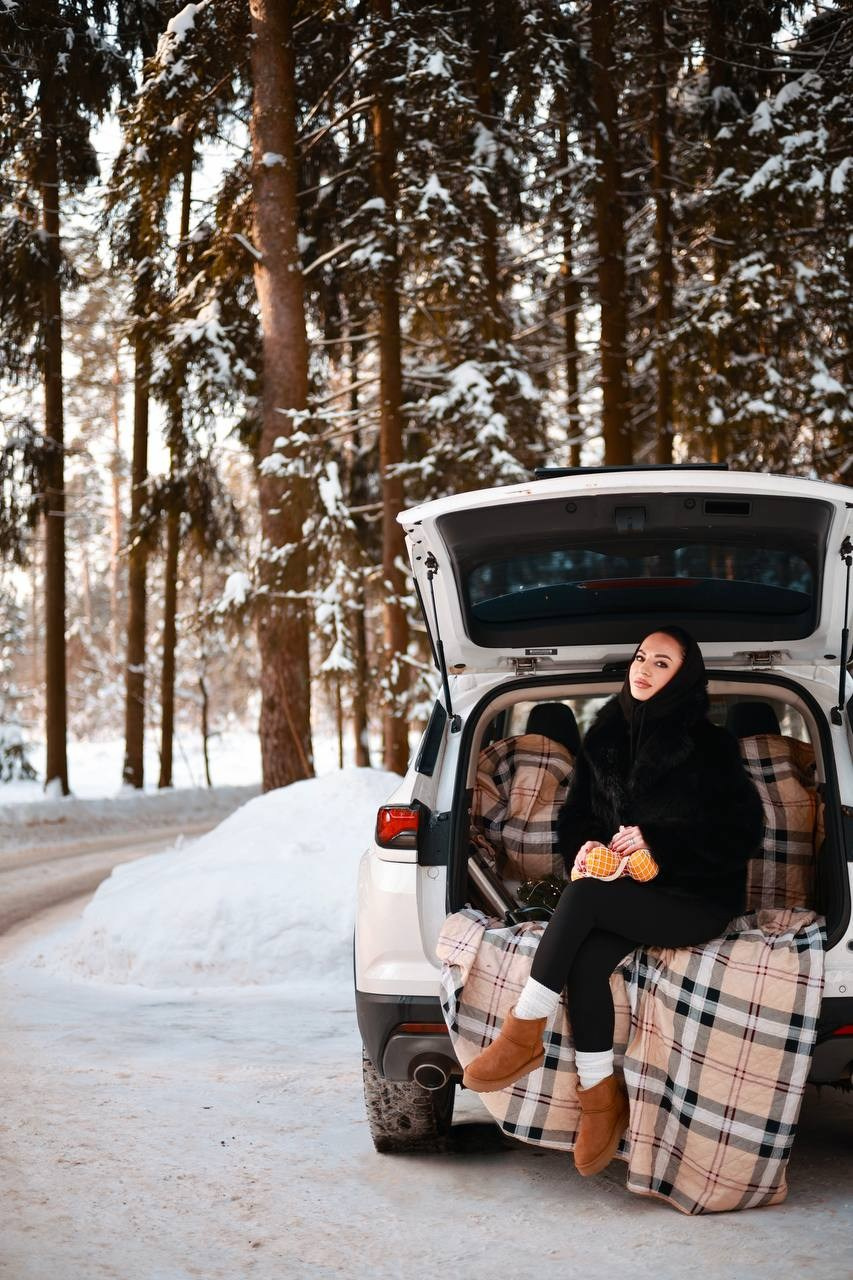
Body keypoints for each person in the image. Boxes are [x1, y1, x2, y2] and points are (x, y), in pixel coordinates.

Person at [461, 624, 765, 1178]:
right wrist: (591, 849)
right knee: (585, 957)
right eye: (642, 657)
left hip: (694, 897)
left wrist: (660, 842)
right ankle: (601, 1099)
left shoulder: (711, 746)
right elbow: (576, 819)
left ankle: (524, 1028)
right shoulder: (601, 737)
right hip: (625, 892)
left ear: (685, 677)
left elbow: (743, 833)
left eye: (662, 663)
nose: (644, 669)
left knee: (580, 902)